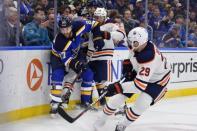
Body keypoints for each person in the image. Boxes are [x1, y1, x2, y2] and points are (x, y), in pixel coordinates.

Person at [93, 27, 171, 131]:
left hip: (157, 81)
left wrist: (116, 87)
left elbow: (139, 86)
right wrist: (104, 34)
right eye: (130, 42)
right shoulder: (136, 43)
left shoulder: (148, 57)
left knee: (141, 105)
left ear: (141, 42)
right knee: (117, 99)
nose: (130, 45)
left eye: (133, 43)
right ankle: (100, 121)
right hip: (140, 72)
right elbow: (121, 35)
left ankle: (122, 125)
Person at [49, 16, 106, 115]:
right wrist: (78, 64)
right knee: (57, 74)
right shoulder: (60, 42)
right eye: (62, 29)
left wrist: (97, 38)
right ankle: (55, 103)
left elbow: (95, 24)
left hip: (76, 53)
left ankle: (85, 102)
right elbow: (68, 61)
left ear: (71, 26)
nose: (65, 32)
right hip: (58, 57)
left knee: (88, 74)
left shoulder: (79, 25)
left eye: (67, 28)